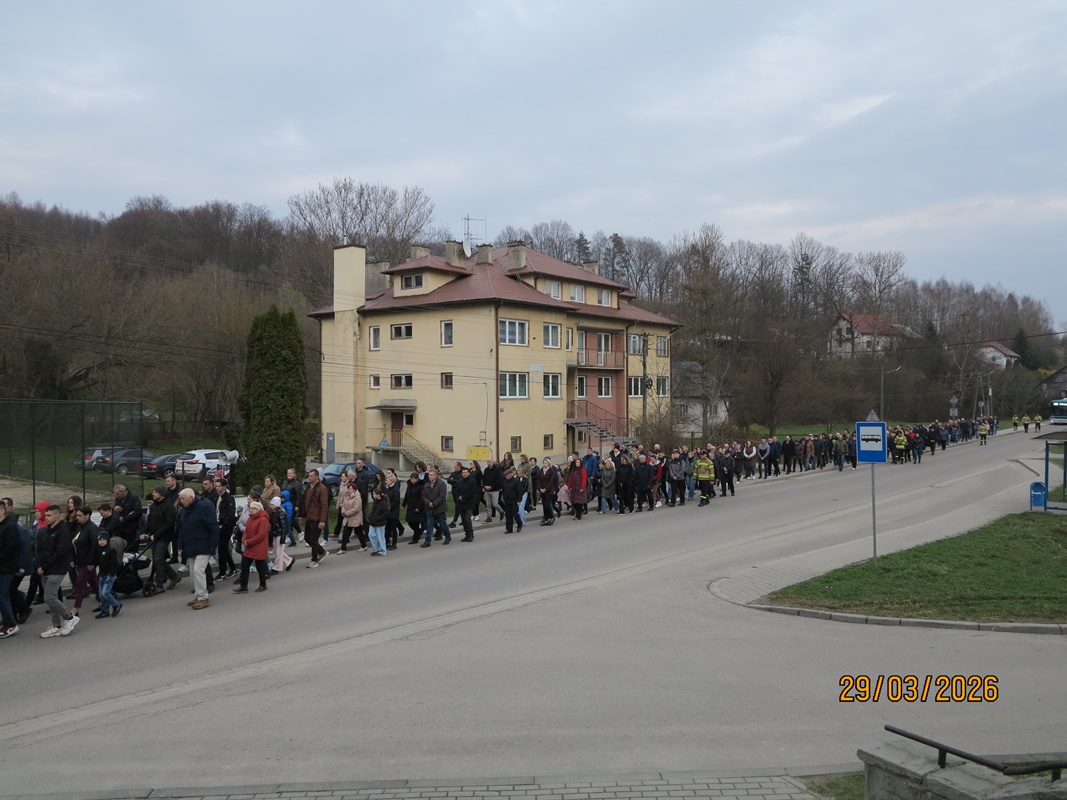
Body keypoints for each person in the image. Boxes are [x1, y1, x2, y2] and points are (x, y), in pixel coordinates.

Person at [37, 505, 78, 637]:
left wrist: (45, 566)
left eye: (49, 515)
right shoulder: (47, 530)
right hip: (45, 569)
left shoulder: (63, 531)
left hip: (57, 569)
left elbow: (60, 552)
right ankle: (56, 625)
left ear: (57, 515)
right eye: (46, 515)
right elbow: (43, 550)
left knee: (49, 597)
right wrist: (39, 565)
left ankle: (70, 618)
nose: (46, 518)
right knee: (51, 599)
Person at [177, 488, 219, 610]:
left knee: (198, 570)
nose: (181, 501)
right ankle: (198, 594)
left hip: (203, 544)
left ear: (191, 498)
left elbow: (213, 527)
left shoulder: (203, 507)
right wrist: (181, 544)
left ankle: (203, 598)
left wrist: (213, 546)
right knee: (193, 572)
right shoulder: (185, 510)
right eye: (180, 498)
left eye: (183, 498)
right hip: (191, 545)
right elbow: (183, 528)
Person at [233, 500, 270, 593]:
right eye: (250, 508)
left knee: (260, 567)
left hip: (259, 546)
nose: (250, 510)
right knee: (245, 566)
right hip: (249, 546)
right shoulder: (250, 518)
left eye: (253, 509)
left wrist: (249, 542)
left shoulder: (263, 519)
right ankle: (243, 586)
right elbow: (247, 531)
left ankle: (263, 585)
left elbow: (261, 535)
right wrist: (244, 539)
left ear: (258, 509)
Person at [301, 468, 330, 567]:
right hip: (309, 517)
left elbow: (324, 506)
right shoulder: (309, 487)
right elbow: (304, 501)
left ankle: (314, 559)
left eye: (311, 476)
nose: (309, 478)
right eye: (309, 476)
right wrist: (302, 514)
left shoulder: (322, 488)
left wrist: (322, 520)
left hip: (317, 518)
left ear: (317, 477)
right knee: (307, 538)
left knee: (313, 539)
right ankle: (322, 551)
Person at [0, 500, 20, 638]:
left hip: (6, 567)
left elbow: (10, 548)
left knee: (2, 595)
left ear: (2, 511)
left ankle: (10, 624)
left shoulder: (10, 527)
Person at [94, 532, 122, 618]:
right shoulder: (98, 550)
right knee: (101, 595)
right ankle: (105, 610)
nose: (102, 542)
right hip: (102, 574)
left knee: (105, 593)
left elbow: (115, 563)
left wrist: (112, 574)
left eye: (104, 540)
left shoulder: (111, 550)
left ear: (107, 540)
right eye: (100, 540)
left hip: (109, 575)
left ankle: (116, 604)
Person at [420, 467, 450, 547]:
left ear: (436, 476)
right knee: (429, 525)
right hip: (429, 508)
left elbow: (442, 496)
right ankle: (427, 541)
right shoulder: (426, 485)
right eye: (429, 475)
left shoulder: (441, 484)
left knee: (442, 524)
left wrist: (434, 503)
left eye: (431, 475)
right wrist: (428, 503)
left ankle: (447, 536)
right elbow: (424, 496)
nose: (430, 476)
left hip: (439, 508)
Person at [453, 465, 478, 542]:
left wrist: (463, 497)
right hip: (461, 503)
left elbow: (472, 492)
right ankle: (466, 534)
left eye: (465, 472)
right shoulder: (460, 481)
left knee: (467, 519)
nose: (464, 474)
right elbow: (456, 490)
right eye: (463, 472)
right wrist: (459, 497)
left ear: (469, 473)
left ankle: (471, 534)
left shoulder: (472, 482)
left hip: (469, 503)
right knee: (463, 520)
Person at [338, 481, 365, 553]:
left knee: (359, 533)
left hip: (355, 518)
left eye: (350, 489)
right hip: (348, 518)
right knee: (345, 534)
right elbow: (343, 505)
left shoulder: (357, 497)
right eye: (348, 489)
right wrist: (343, 512)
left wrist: (347, 513)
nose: (348, 490)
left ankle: (364, 546)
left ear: (354, 490)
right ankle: (343, 549)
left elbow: (356, 508)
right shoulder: (346, 496)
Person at [402, 472, 425, 544]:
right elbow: (406, 495)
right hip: (410, 506)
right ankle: (419, 532)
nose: (412, 480)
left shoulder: (421, 486)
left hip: (417, 507)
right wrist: (403, 504)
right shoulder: (410, 485)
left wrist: (418, 507)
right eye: (411, 479)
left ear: (417, 479)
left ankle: (415, 538)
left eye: (413, 479)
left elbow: (422, 498)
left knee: (415, 523)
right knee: (410, 522)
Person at [366, 487, 389, 556]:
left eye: (374, 494)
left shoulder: (383, 503)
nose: (373, 495)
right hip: (373, 522)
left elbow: (385, 514)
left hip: (380, 523)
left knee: (380, 537)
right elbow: (373, 511)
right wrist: (370, 517)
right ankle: (376, 549)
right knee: (371, 535)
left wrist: (378, 518)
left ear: (378, 495)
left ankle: (382, 551)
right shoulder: (375, 501)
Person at [383, 468, 402, 549]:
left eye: (387, 480)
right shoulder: (387, 489)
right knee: (387, 529)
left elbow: (395, 501)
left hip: (393, 512)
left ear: (391, 481)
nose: (386, 481)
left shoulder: (395, 490)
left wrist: (389, 508)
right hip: (387, 512)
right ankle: (387, 542)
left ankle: (394, 544)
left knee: (393, 528)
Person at [500, 467, 524, 533]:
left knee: (514, 514)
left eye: (506, 475)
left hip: (514, 500)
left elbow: (520, 491)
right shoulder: (505, 481)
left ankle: (519, 524)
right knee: (508, 515)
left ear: (510, 474)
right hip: (507, 500)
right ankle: (509, 529)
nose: (505, 476)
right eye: (505, 475)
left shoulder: (516, 481)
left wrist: (519, 500)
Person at [567, 453, 589, 520]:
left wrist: (582, 488)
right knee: (574, 502)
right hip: (574, 488)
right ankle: (581, 511)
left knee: (578, 502)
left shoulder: (583, 470)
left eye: (578, 462)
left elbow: (584, 480)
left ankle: (578, 516)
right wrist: (569, 487)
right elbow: (570, 479)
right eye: (576, 462)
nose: (577, 463)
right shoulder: (574, 469)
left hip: (580, 488)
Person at [481, 457, 503, 524]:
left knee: (495, 504)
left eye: (489, 462)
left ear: (492, 462)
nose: (488, 463)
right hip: (487, 490)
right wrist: (485, 486)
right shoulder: (486, 470)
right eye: (487, 462)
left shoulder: (497, 470)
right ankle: (489, 517)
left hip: (495, 490)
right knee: (488, 504)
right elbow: (484, 479)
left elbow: (498, 480)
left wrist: (492, 486)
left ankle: (501, 511)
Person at [538, 458, 559, 526]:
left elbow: (551, 481)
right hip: (542, 490)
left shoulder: (551, 471)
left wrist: (546, 489)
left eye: (545, 463)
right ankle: (546, 518)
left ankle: (551, 517)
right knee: (544, 505)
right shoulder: (541, 470)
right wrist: (540, 488)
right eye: (543, 463)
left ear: (549, 464)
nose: (544, 464)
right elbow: (538, 480)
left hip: (549, 490)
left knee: (547, 504)